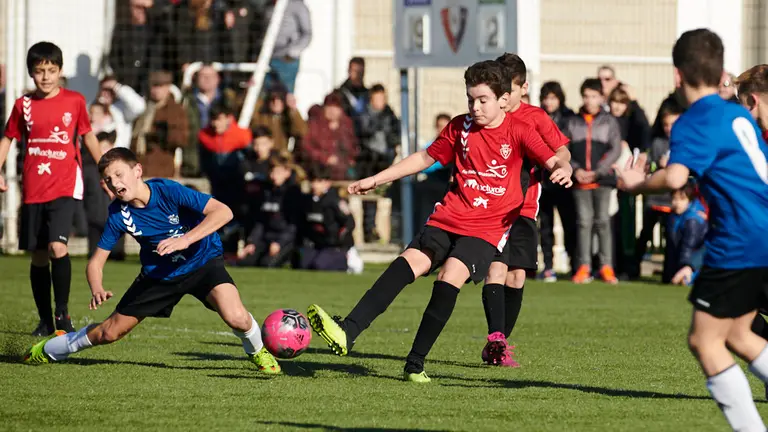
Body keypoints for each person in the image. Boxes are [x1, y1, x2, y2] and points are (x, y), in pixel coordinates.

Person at [306, 60, 573, 382]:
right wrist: (377, 179)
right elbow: (424, 157)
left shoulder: (520, 131)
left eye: (483, 100)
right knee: (408, 262)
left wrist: (564, 169)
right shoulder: (460, 127)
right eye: (470, 99)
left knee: (450, 275)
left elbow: (554, 157)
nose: (475, 107)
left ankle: (415, 362)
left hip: (487, 228)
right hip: (449, 215)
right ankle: (348, 331)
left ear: (503, 99)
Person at [616, 29, 768, 431]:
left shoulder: (694, 120)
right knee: (738, 333)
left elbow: (676, 176)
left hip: (740, 240)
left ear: (677, 76)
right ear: (720, 72)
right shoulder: (736, 113)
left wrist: (635, 184)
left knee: (704, 341)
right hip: (761, 231)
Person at [22, 148, 281, 375]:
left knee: (237, 318)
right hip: (160, 276)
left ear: (138, 170)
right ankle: (50, 348)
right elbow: (96, 262)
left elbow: (224, 212)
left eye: (119, 175)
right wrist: (97, 287)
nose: (114, 183)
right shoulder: (118, 214)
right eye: (108, 180)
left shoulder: (168, 190)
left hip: (203, 262)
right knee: (108, 333)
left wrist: (186, 240)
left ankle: (258, 351)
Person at [0, 42, 103, 336]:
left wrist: (104, 169)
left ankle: (63, 315)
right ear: (31, 73)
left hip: (65, 186)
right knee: (38, 255)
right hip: (34, 187)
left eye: (51, 70)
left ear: (60, 71)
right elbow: (8, 138)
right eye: (39, 71)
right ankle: (45, 320)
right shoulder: (23, 105)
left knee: (58, 246)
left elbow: (88, 137)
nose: (45, 77)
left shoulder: (75, 101)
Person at [480, 53, 571, 367]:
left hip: (524, 208)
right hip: (491, 210)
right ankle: (496, 338)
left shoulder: (535, 118)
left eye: (511, 89)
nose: (503, 97)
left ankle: (498, 344)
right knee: (496, 270)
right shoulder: (487, 115)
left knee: (517, 276)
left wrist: (565, 166)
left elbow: (561, 150)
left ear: (523, 88)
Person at [566, 78, 623, 284]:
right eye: (586, 96)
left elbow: (615, 149)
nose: (590, 100)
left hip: (603, 181)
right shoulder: (572, 121)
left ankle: (606, 266)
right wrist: (576, 169)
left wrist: (598, 171)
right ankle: (583, 266)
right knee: (583, 223)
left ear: (601, 97)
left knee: (603, 223)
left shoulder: (609, 122)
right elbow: (564, 149)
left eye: (594, 96)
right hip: (579, 181)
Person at [237, 153, 303, 268]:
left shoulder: (292, 193)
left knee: (267, 264)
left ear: (287, 172)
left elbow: (293, 226)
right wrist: (252, 242)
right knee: (245, 262)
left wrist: (279, 243)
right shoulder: (266, 192)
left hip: (284, 240)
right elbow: (261, 221)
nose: (273, 176)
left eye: (277, 172)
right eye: (271, 172)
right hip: (265, 237)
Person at [298, 165, 355, 272]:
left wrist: (341, 242)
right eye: (313, 181)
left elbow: (349, 222)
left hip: (335, 246)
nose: (314, 185)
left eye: (319, 181)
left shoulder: (335, 200)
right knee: (303, 264)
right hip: (317, 244)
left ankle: (344, 262)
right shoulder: (308, 201)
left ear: (327, 183)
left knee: (319, 265)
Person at [664, 182, 707, 285]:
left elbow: (688, 247)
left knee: (683, 281)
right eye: (674, 199)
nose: (676, 203)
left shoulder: (693, 219)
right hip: (683, 261)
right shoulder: (674, 216)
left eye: (681, 199)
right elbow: (671, 247)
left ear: (689, 200)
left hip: (695, 262)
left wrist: (684, 267)